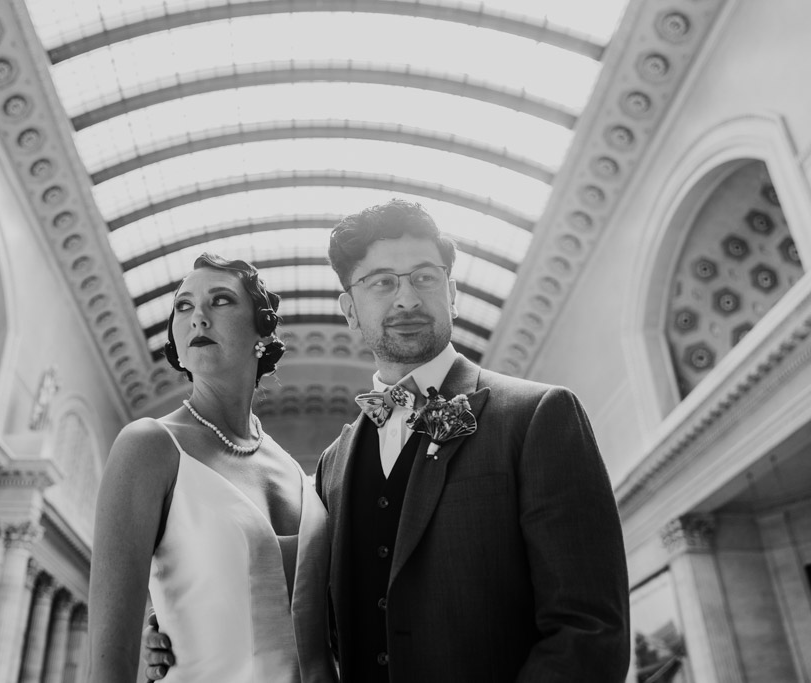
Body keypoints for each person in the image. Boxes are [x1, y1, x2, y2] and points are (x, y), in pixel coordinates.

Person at [144, 200, 631, 681]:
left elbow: (589, 632)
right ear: (350, 310)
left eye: (424, 277)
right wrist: (178, 634)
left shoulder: (539, 417)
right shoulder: (333, 466)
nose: (406, 299)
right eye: (381, 283)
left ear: (452, 292)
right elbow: (314, 619)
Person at [89, 254, 337, 683]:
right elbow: (108, 666)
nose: (198, 317)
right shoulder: (148, 446)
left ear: (262, 331)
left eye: (220, 301)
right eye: (183, 307)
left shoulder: (301, 474)